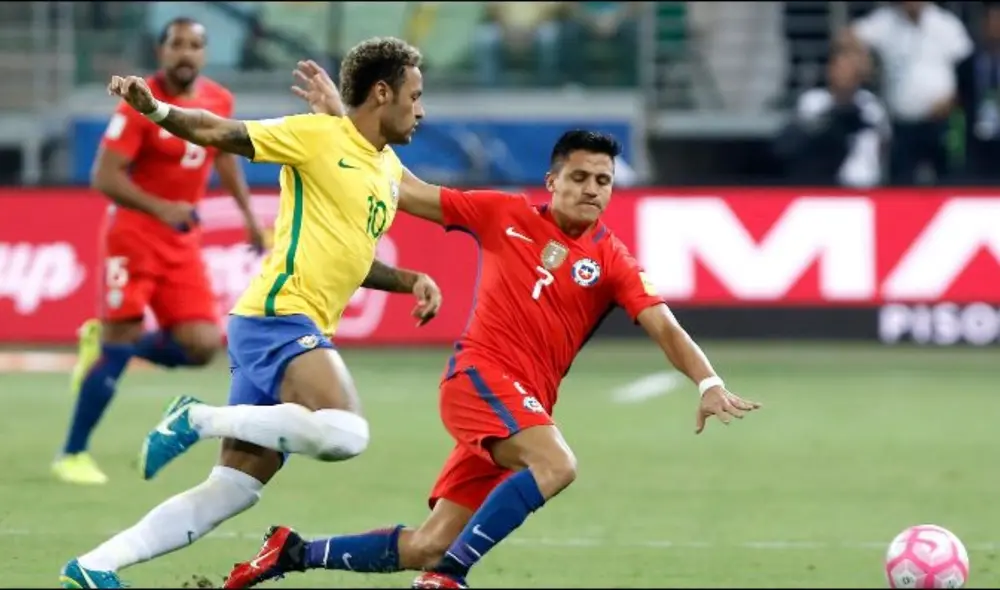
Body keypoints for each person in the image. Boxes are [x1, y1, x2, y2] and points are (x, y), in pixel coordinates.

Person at [221, 64, 761, 590]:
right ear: (551, 180)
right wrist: (344, 122)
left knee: (430, 542)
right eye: (579, 177)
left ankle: (293, 551)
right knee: (556, 465)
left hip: (523, 407)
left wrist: (708, 382)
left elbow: (664, 327)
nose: (592, 189)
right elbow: (404, 189)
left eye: (604, 180)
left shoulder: (613, 259)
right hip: (479, 380)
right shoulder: (505, 214)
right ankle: (450, 578)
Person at [58, 37, 444, 589]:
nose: (422, 109)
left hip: (285, 325)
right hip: (277, 318)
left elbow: (351, 254)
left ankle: (94, 566)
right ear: (383, 93)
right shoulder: (314, 136)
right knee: (345, 433)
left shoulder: (383, 167)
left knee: (229, 491)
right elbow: (220, 131)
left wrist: (410, 280)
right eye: (415, 95)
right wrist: (156, 109)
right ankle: (196, 417)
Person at [53, 16, 266, 486]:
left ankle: (106, 346)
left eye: (194, 45)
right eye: (177, 44)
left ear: (205, 54)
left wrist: (249, 217)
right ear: (161, 51)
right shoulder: (137, 103)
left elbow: (224, 157)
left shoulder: (218, 100)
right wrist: (162, 207)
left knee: (201, 346)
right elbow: (105, 177)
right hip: (132, 236)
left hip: (181, 239)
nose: (185, 53)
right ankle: (72, 453)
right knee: (121, 342)